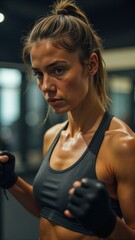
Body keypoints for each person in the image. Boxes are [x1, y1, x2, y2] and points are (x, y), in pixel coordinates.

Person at [0, 0, 135, 239]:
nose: (46, 86)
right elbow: (49, 210)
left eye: (58, 70)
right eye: (39, 74)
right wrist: (12, 181)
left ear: (91, 64)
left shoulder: (122, 145)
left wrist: (107, 223)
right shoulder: (52, 136)